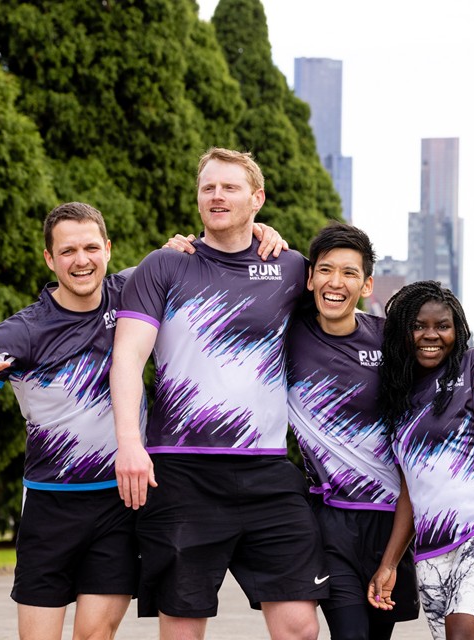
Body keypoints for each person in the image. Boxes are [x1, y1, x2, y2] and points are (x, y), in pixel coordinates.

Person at [0, 201, 284, 640]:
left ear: (108, 249)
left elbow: (217, 247)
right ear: (49, 259)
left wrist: (262, 232)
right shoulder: (25, 331)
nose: (81, 261)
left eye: (91, 247)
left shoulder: (133, 289)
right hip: (50, 505)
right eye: (68, 251)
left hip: (119, 503)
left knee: (94, 635)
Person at [110, 148, 327, 640]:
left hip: (267, 470)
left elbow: (349, 320)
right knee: (183, 628)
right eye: (208, 187)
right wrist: (129, 443)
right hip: (181, 472)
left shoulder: (292, 268)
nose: (217, 196)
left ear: (258, 198)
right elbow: (127, 358)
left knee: (300, 627)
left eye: (230, 187)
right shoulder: (163, 266)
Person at [286, 224, 474, 640]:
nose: (336, 282)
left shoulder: (393, 341)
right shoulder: (288, 333)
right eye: (326, 270)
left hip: (396, 520)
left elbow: (449, 359)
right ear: (310, 278)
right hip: (331, 519)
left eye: (350, 273)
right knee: (349, 632)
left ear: (366, 284)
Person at [372, 281, 474, 640]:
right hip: (431, 551)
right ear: (404, 332)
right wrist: (390, 564)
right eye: (419, 326)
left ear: (456, 330)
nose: (431, 335)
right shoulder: (398, 399)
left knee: (463, 634)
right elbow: (411, 492)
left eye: (442, 326)